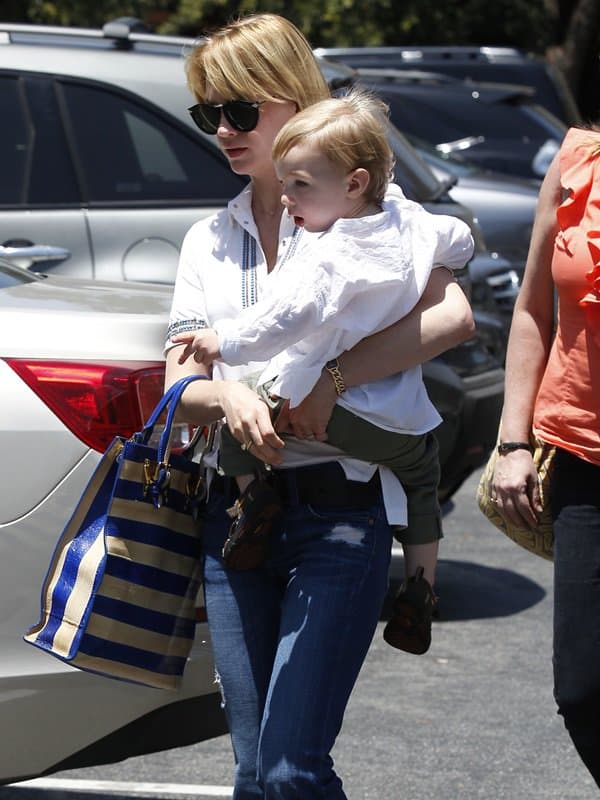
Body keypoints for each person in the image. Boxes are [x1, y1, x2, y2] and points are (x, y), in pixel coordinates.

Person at [165, 13, 474, 799]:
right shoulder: (208, 237)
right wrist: (231, 394)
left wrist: (329, 382)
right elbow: (178, 383)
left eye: (241, 109)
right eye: (209, 114)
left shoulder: (369, 213)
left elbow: (452, 319)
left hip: (342, 515)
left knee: (292, 769)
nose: (224, 130)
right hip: (237, 522)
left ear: (295, 97)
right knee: (251, 771)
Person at [490, 126, 600, 787]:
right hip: (583, 460)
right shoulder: (576, 161)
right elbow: (532, 309)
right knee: (583, 687)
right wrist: (513, 441)